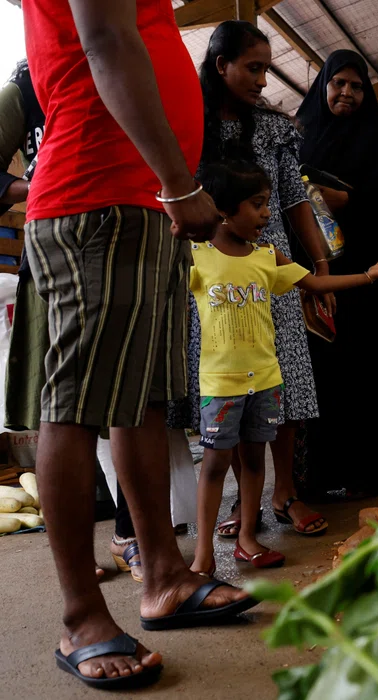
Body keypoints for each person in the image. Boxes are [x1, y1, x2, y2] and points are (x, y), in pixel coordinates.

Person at [22, 0, 254, 689]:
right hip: (97, 195)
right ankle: (81, 617)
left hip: (140, 203)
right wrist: (179, 182)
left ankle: (163, 577)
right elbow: (104, 41)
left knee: (142, 401)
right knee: (76, 406)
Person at [1, 60, 197, 586]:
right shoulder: (24, 89)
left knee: (136, 399)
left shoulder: (130, 65)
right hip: (75, 242)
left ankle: (136, 543)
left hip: (137, 231)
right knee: (74, 407)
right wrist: (27, 184)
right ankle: (84, 576)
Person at [188, 160, 378, 576]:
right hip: (219, 385)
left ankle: (248, 539)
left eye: (268, 203)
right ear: (222, 209)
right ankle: (202, 555)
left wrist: (368, 276)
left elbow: (314, 284)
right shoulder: (197, 258)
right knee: (216, 465)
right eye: (257, 205)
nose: (267, 214)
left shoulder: (267, 256)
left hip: (267, 381)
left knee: (256, 462)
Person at [171, 20, 331, 537]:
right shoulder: (186, 122)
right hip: (212, 277)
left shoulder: (275, 128)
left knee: (282, 380)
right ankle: (246, 507)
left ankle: (285, 494)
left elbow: (293, 199)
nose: (264, 80)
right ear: (221, 66)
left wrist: (320, 262)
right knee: (231, 388)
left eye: (266, 68)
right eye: (254, 68)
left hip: (271, 268)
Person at [296, 49, 378, 498]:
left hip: (372, 289)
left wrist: (349, 202)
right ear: (323, 85)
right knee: (321, 380)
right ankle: (317, 480)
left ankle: (365, 475)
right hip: (318, 286)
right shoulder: (301, 138)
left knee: (369, 379)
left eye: (356, 85)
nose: (346, 92)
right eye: (338, 83)